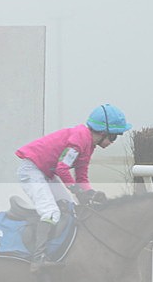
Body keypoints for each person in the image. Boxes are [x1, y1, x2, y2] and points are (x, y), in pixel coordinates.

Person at [15, 104, 132, 272]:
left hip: (46, 173)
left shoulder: (88, 145)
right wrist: (77, 191)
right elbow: (62, 168)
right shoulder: (79, 140)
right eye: (113, 137)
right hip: (32, 170)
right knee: (50, 212)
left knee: (70, 207)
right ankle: (38, 258)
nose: (113, 142)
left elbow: (82, 176)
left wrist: (89, 193)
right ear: (102, 132)